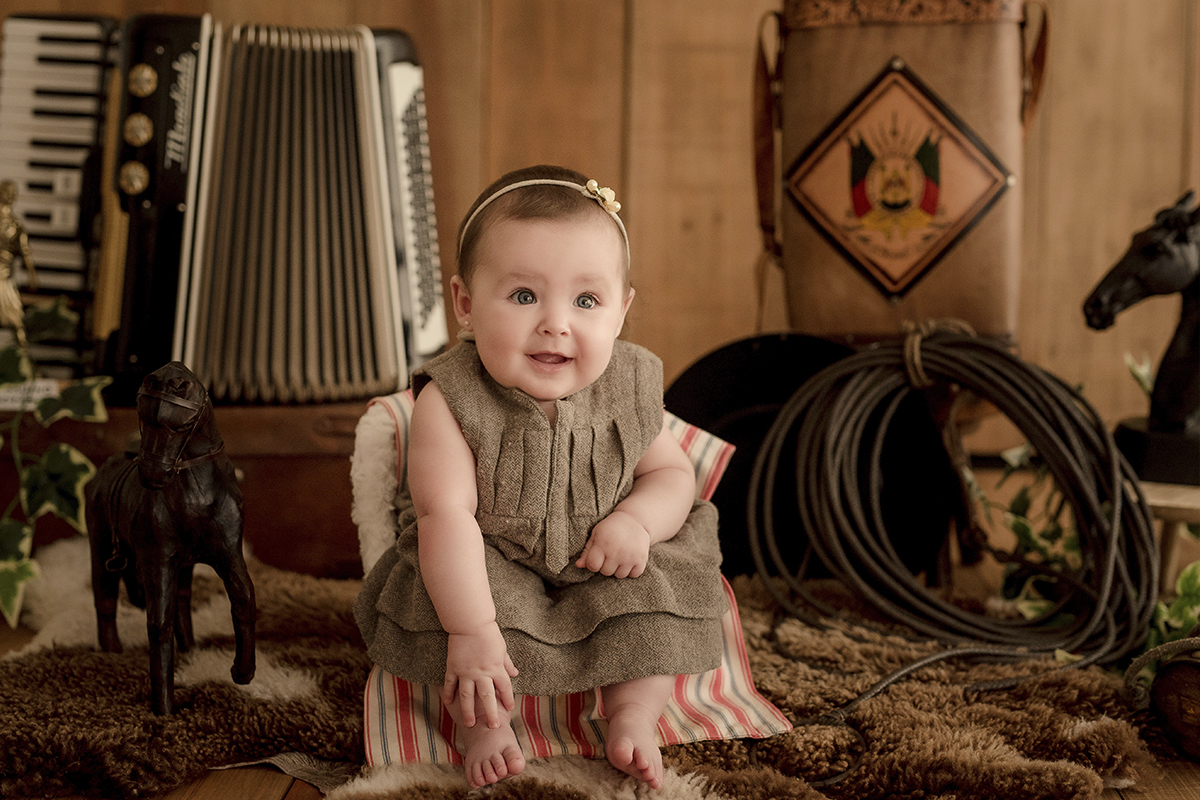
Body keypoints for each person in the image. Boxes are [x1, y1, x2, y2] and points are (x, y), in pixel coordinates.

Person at [354, 165, 725, 790]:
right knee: (445, 595)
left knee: (663, 591)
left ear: (620, 310)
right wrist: (471, 631)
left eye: (586, 301)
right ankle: (482, 724)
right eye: (524, 296)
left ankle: (634, 713)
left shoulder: (628, 386)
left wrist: (636, 521)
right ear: (466, 305)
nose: (557, 322)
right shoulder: (449, 399)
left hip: (602, 555)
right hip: (489, 554)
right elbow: (445, 514)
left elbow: (670, 474)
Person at [0, 180, 36, 347]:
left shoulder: (16, 226)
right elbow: (26, 254)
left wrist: (32, 275)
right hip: (4, 279)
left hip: (4, 279)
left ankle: (24, 357)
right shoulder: (16, 226)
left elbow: (25, 253)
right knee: (16, 322)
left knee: (16, 320)